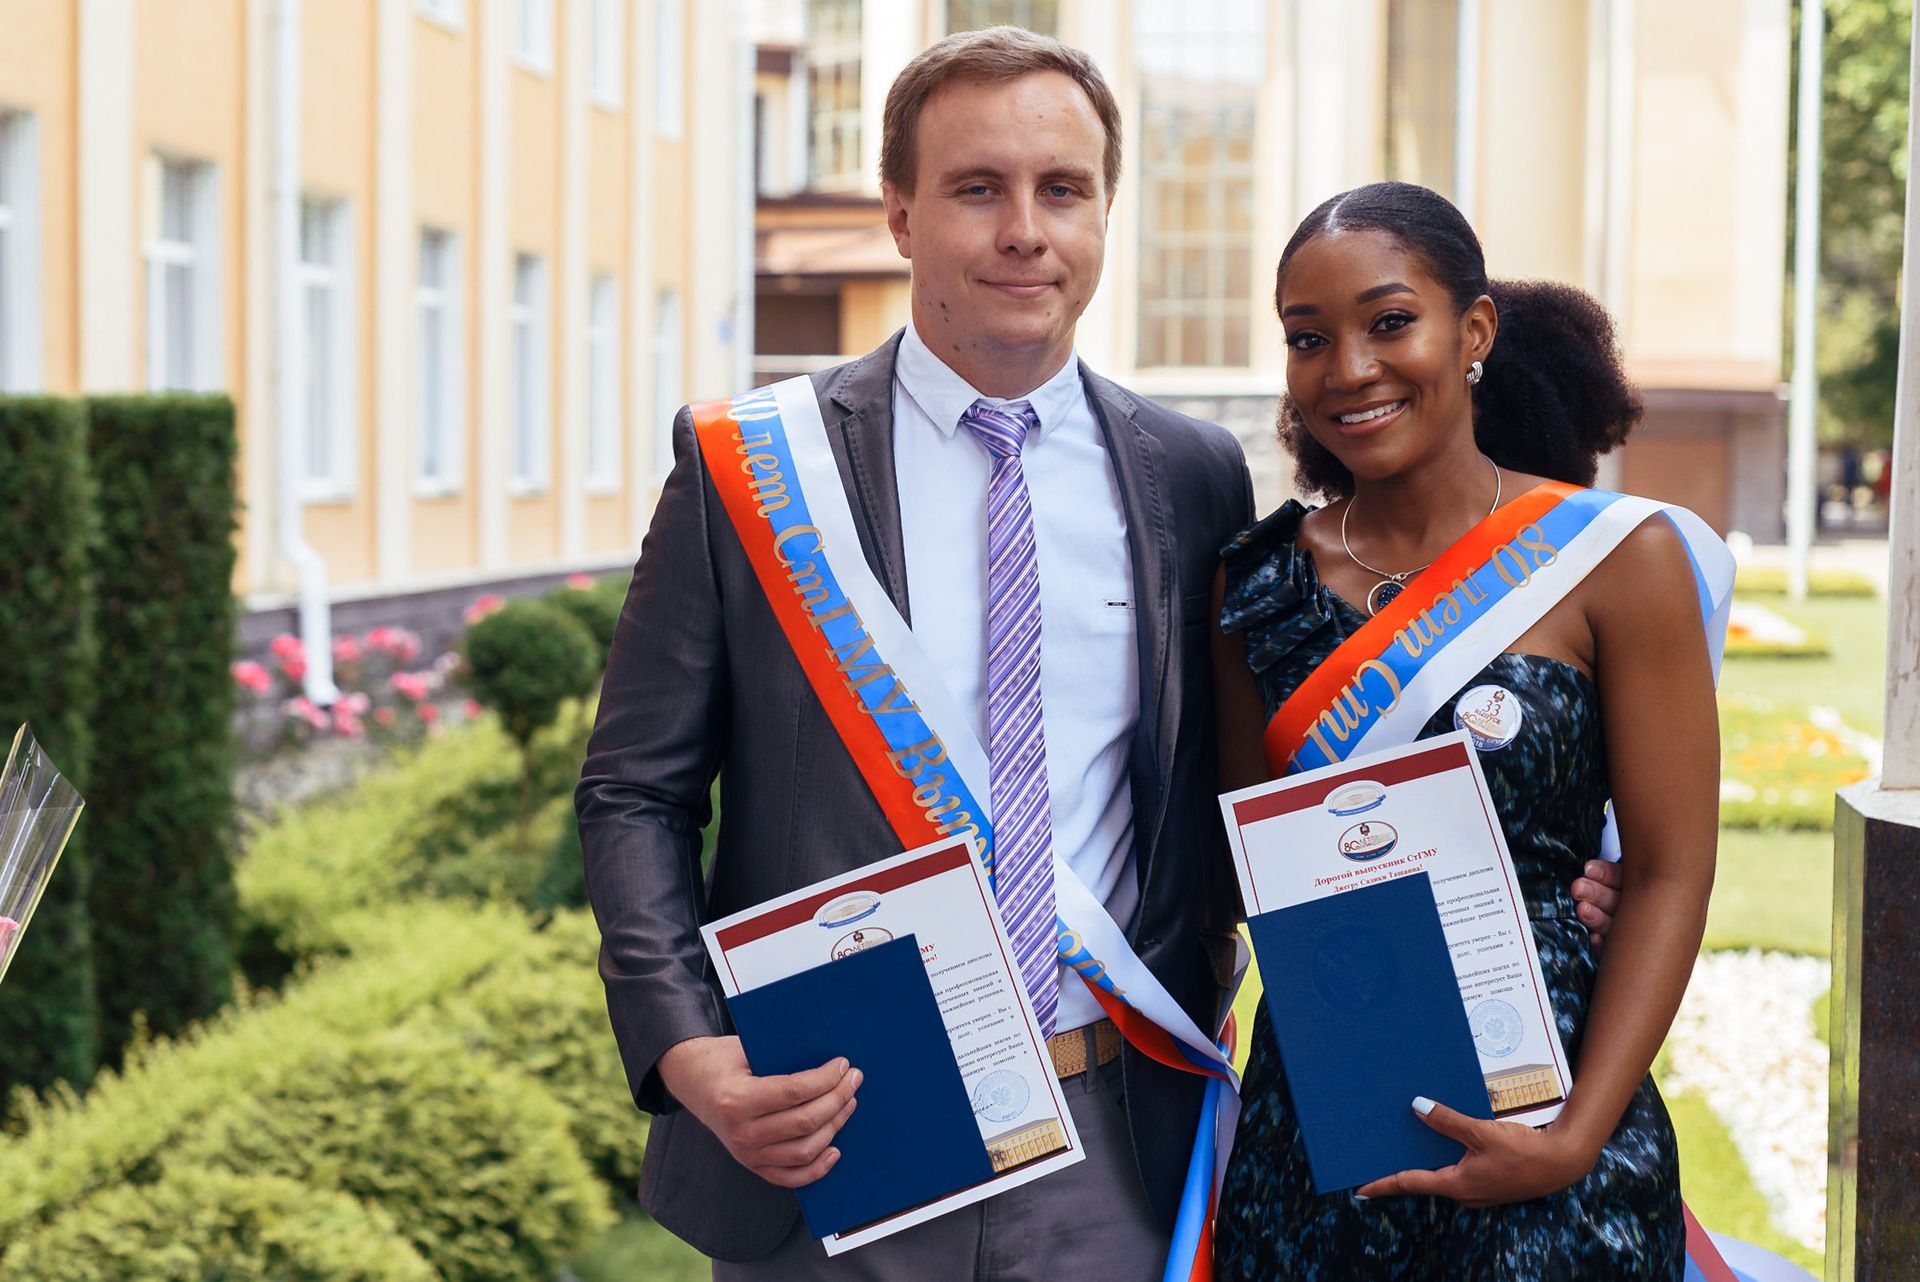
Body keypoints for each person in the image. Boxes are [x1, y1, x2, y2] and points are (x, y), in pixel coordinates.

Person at [577, 30, 1624, 1280]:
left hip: (1121, 1142)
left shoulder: (1191, 473)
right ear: (900, 213)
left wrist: (1544, 868)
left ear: (1105, 214)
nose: (1026, 231)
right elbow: (632, 791)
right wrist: (693, 1053)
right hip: (843, 1137)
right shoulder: (749, 470)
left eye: (1063, 188)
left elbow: (1272, 778)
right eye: (979, 188)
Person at [1208, 181, 1719, 1280]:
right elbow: (1248, 871)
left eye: (1390, 321)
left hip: (1560, 1116)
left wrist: (1574, 1138)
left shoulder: (1616, 558)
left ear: (1474, 330)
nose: (1348, 368)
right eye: (1308, 337)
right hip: (1321, 1132)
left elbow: (1671, 871)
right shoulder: (1256, 584)